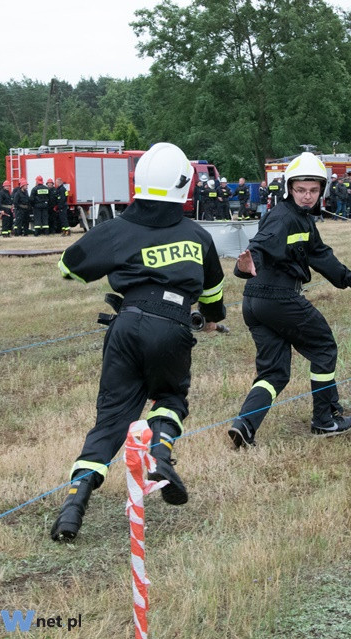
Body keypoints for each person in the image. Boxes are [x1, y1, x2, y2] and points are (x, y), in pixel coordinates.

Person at [50, 142, 227, 542]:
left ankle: (74, 505)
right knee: (170, 397)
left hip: (125, 325)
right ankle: (160, 454)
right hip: (174, 325)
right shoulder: (197, 235)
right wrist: (213, 321)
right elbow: (214, 293)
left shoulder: (116, 230)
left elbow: (68, 268)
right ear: (185, 186)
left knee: (111, 417)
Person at [227, 152, 351, 448]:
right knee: (324, 348)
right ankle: (324, 420)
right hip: (277, 298)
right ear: (288, 189)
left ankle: (245, 424)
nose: (307, 196)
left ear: (322, 190)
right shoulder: (283, 217)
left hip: (254, 302)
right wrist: (246, 263)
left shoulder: (302, 219)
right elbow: (260, 245)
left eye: (313, 190)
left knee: (274, 372)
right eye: (300, 190)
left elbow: (320, 254)